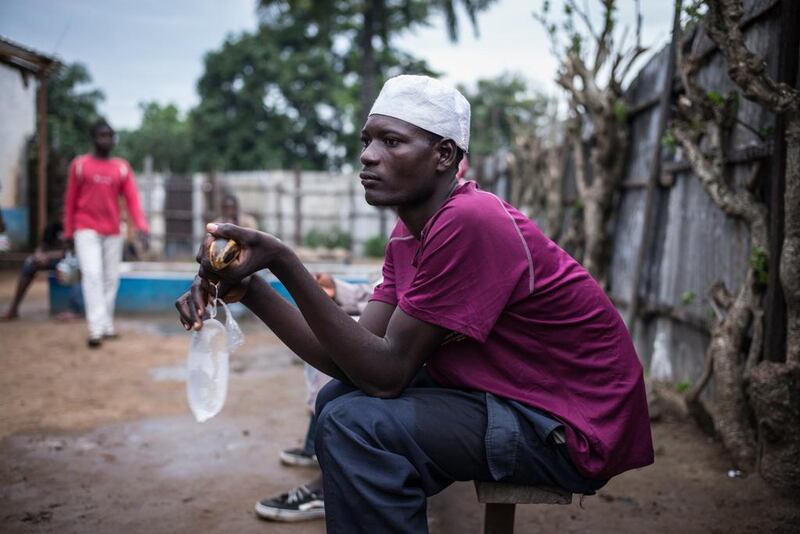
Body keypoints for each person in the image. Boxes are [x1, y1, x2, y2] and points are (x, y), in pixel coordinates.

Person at [176, 74, 653, 533]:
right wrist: (250, 287)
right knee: (335, 399)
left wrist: (281, 260)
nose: (368, 156)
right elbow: (360, 359)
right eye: (367, 141)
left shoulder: (470, 220)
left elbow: (387, 375)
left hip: (567, 426)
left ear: (444, 154)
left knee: (354, 425)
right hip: (513, 398)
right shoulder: (410, 231)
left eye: (391, 141)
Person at [258, 275, 379, 522]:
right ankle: (318, 446)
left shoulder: (435, 242)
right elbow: (385, 289)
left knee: (342, 357)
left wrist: (281, 264)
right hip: (393, 316)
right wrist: (339, 289)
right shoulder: (406, 244)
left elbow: (398, 298)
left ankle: (330, 485)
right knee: (334, 375)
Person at [64, 119, 149, 348]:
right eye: (102, 135)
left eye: (110, 136)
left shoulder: (121, 167)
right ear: (92, 139)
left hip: (113, 230)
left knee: (111, 278)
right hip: (85, 228)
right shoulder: (80, 165)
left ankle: (107, 324)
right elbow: (70, 200)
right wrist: (68, 232)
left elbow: (132, 200)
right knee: (92, 275)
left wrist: (142, 228)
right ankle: (95, 329)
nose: (107, 140)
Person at [1, 215, 80, 321]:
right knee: (30, 264)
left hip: (74, 262)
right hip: (55, 260)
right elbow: (42, 246)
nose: (64, 218)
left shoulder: (79, 227)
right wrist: (39, 255)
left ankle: (74, 309)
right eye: (61, 215)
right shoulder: (52, 227)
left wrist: (52, 255)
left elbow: (73, 252)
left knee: (74, 266)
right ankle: (13, 309)